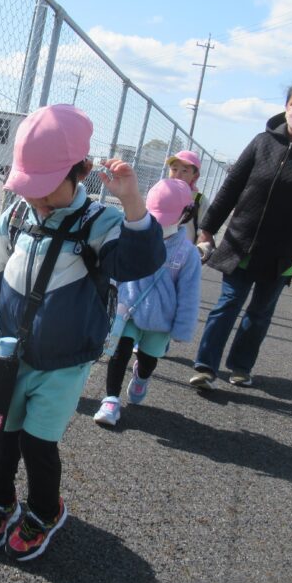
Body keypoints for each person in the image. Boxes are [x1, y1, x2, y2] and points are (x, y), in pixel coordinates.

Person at [0, 104, 164, 561]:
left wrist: (133, 203)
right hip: (10, 354)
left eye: (47, 189)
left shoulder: (100, 223)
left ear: (82, 171)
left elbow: (138, 263)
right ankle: (0, 500)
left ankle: (45, 510)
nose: (39, 201)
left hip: (64, 362)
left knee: (37, 442)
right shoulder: (17, 215)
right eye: (30, 189)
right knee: (3, 433)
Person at [189, 80, 292, 390]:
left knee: (260, 312)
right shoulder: (262, 142)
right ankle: (205, 366)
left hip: (284, 252)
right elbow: (231, 186)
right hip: (242, 243)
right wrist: (207, 228)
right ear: (286, 107)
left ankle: (241, 367)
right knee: (227, 304)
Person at [94, 178, 202, 426]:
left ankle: (141, 377)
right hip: (128, 310)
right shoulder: (135, 236)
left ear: (186, 214)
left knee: (148, 359)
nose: (160, 223)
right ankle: (111, 399)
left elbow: (189, 294)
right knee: (119, 352)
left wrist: (182, 328)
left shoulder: (187, 253)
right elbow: (118, 270)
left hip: (160, 320)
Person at [165, 149, 206, 244]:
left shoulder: (199, 200)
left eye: (184, 171)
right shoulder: (161, 192)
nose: (177, 175)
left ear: (195, 176)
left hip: (184, 251)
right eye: (174, 169)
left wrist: (197, 250)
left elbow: (205, 231)